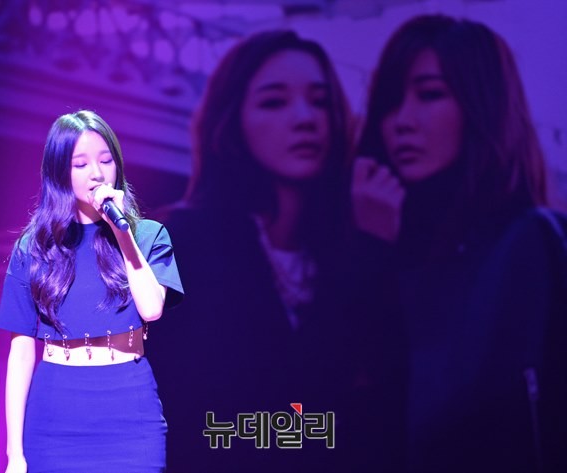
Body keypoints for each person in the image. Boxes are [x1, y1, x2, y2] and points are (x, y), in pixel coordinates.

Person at [146, 29, 386, 472]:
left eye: (320, 102)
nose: (305, 118)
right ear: (232, 121)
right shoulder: (180, 242)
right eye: (274, 102)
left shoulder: (343, 252)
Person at [353, 14, 567, 472]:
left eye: (430, 95)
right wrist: (371, 250)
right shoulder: (383, 238)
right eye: (390, 102)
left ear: (481, 105)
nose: (402, 122)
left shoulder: (528, 243)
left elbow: (443, 406)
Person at [0, 110, 184, 473]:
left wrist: (122, 233)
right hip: (55, 413)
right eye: (80, 164)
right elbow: (20, 353)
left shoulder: (149, 236)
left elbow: (151, 310)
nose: (96, 173)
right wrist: (14, 454)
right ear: (59, 172)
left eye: (105, 160)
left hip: (129, 410)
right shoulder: (33, 248)